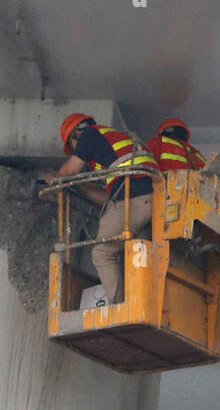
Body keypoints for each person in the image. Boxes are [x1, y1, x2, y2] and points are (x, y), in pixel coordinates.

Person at [50, 113, 162, 305]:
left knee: (102, 253)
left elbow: (70, 170)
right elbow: (106, 198)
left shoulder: (89, 134)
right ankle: (142, 302)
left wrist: (55, 178)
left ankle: (121, 307)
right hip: (151, 202)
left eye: (73, 145)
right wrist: (80, 186)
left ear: (76, 133)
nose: (76, 151)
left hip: (133, 199)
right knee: (134, 253)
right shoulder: (116, 145)